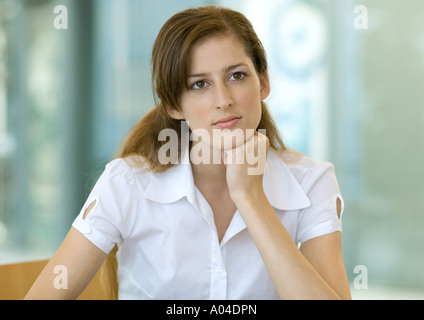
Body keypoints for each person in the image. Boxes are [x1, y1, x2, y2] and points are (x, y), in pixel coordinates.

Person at [25, 5, 351, 300]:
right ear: (173, 105)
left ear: (263, 83)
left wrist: (251, 200)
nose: (223, 99)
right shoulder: (128, 183)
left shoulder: (311, 181)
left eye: (236, 76)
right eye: (199, 84)